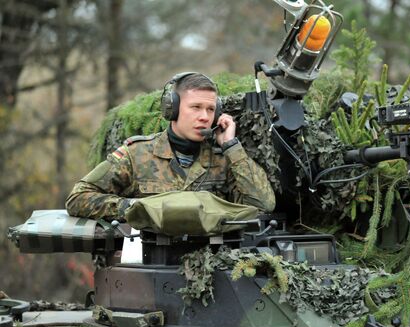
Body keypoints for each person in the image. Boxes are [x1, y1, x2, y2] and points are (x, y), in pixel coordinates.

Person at [66, 72, 276, 222]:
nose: (204, 117)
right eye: (195, 107)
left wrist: (231, 146)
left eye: (210, 109)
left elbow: (263, 205)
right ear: (172, 109)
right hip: (151, 264)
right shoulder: (138, 154)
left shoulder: (223, 158)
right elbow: (78, 197)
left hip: (210, 267)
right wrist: (134, 209)